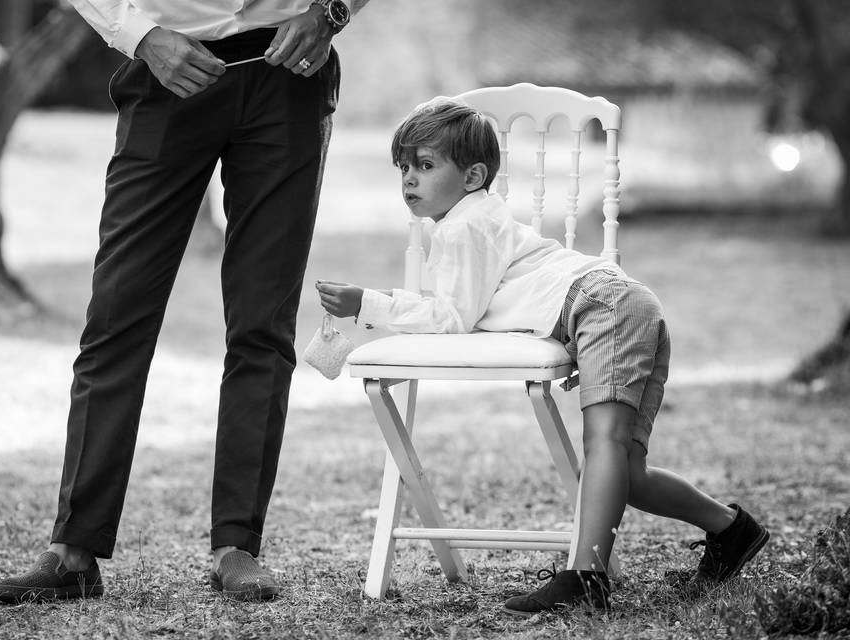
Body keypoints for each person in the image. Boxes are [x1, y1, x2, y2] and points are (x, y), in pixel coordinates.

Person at [315, 99, 769, 615]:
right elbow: (464, 308)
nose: (409, 179)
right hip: (611, 305)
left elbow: (453, 317)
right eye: (404, 167)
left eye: (425, 165)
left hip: (602, 307)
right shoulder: (468, 220)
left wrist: (367, 304)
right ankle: (733, 530)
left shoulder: (465, 225)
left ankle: (586, 578)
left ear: (473, 176)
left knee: (606, 446)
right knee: (624, 467)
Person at [0, 0, 367, 604]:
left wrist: (332, 11)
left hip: (290, 69)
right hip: (168, 66)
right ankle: (73, 548)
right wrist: (139, 35)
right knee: (117, 317)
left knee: (261, 324)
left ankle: (237, 547)